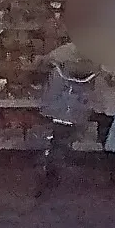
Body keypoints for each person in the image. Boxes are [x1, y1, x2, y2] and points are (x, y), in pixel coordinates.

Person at [31, 51, 90, 197]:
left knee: (55, 144)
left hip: (60, 110)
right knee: (59, 143)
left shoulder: (64, 59)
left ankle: (49, 174)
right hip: (68, 111)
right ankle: (52, 172)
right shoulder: (74, 53)